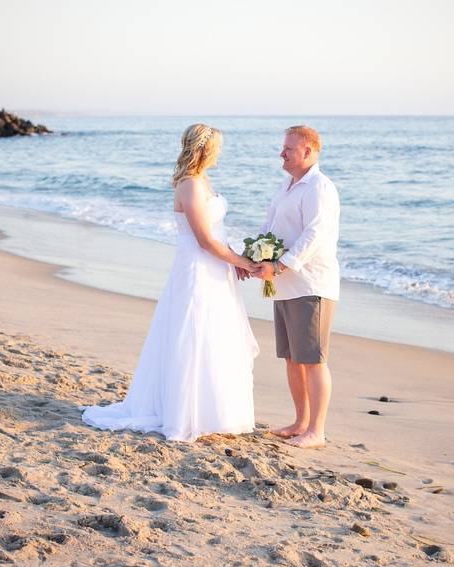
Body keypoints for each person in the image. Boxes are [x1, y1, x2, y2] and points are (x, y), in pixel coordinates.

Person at [82, 123, 261, 442]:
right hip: (197, 270)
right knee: (193, 335)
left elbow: (218, 235)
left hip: (216, 269)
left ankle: (215, 409)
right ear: (206, 149)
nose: (221, 151)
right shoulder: (190, 185)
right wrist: (242, 261)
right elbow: (204, 240)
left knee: (216, 335)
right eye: (218, 146)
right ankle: (186, 412)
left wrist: (235, 262)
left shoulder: (204, 181)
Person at [250, 125, 340, 449]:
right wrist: (251, 260)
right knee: (291, 358)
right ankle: (300, 422)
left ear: (309, 151)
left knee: (313, 359)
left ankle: (317, 430)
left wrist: (280, 265)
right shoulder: (286, 186)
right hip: (284, 285)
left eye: (288, 148)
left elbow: (313, 236)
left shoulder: (319, 188)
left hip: (311, 284)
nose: (282, 153)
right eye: (283, 147)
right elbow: (269, 226)